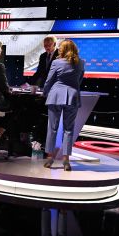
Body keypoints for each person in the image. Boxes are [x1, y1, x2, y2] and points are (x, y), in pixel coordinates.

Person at [42, 39, 85, 171]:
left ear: (62, 50)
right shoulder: (81, 63)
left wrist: (45, 93)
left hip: (55, 96)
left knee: (52, 128)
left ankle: (50, 158)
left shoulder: (56, 62)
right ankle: (66, 160)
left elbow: (49, 81)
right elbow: (80, 80)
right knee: (68, 129)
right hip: (72, 97)